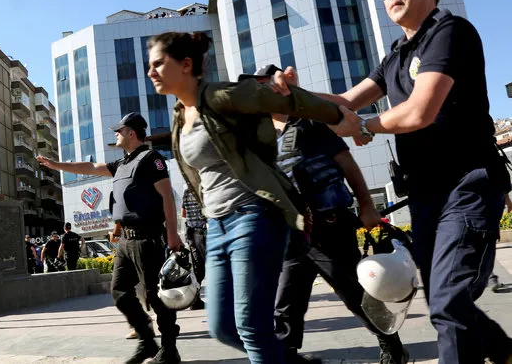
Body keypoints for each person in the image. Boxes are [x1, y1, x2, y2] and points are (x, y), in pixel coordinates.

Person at [273, 0, 512, 363]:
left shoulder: (449, 32)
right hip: (426, 193)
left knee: (448, 299)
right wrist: (292, 95)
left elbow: (421, 110)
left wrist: (363, 126)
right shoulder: (395, 55)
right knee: (446, 298)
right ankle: (504, 351)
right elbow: (344, 100)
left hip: (466, 186)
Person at [145, 32, 358, 363]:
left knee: (252, 327)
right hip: (216, 225)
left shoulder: (220, 95)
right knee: (221, 327)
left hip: (253, 214)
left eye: (159, 63)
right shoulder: (179, 115)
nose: (151, 72)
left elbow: (280, 98)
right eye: (150, 65)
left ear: (186, 65)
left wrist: (339, 116)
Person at [263, 67, 407, 364]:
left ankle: (390, 343)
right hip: (292, 232)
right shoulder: (261, 137)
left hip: (328, 226)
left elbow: (348, 166)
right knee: (286, 300)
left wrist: (366, 205)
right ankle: (285, 354)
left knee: (354, 293)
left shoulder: (311, 126)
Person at [37, 112, 183, 364]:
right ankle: (148, 342)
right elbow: (90, 167)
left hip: (148, 237)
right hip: (126, 241)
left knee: (154, 296)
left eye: (120, 130)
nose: (115, 133)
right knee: (119, 292)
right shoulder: (122, 164)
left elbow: (167, 197)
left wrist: (172, 234)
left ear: (132, 132)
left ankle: (169, 350)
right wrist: (56, 165)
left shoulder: (151, 158)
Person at [180, 188, 206, 310]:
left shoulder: (186, 192)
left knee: (197, 266)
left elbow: (183, 213)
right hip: (203, 232)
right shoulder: (202, 189)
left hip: (190, 232)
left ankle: (195, 300)